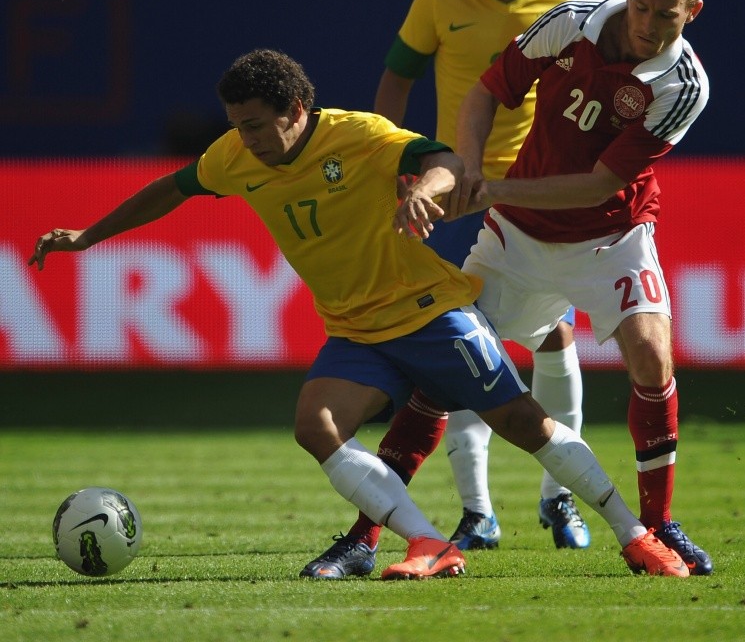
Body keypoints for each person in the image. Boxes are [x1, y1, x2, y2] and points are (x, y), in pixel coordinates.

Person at [28, 48, 689, 580]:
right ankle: (429, 541)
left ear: (297, 109)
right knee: (314, 425)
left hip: (429, 314)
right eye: (236, 123)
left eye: (256, 123)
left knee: (521, 422)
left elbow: (444, 163)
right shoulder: (234, 156)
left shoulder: (360, 136)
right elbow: (172, 189)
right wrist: (88, 236)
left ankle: (636, 536)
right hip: (355, 332)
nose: (245, 138)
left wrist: (425, 195)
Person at [302, 0, 591, 579]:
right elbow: (397, 77)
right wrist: (394, 158)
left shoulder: (571, 3)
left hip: (534, 192)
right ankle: (479, 509)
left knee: (554, 332)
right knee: (466, 338)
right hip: (456, 191)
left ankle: (560, 499)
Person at [442, 0, 713, 575]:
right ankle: (389, 527)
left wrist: (490, 189)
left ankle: (658, 523)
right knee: (450, 353)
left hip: (609, 238)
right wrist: (469, 169)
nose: (647, 26)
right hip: (519, 236)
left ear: (692, 12)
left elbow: (598, 185)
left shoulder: (683, 86)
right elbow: (486, 91)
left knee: (651, 355)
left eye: (666, 16)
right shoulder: (569, 21)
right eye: (641, 7)